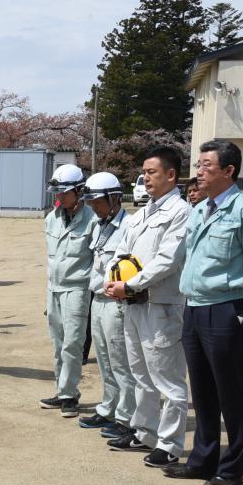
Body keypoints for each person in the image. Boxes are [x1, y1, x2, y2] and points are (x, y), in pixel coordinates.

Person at [164, 140, 243, 485]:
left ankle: (231, 469)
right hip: (195, 306)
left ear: (229, 171)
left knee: (230, 391)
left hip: (227, 308)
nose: (198, 172)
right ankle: (202, 458)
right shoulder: (200, 209)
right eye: (197, 165)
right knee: (201, 392)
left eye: (206, 165)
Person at [102, 146, 190, 466]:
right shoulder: (142, 212)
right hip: (134, 303)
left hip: (162, 304)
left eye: (152, 172)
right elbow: (121, 252)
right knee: (141, 373)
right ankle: (145, 431)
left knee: (167, 377)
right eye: (144, 172)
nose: (146, 178)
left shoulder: (181, 212)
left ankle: (170, 443)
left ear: (170, 175)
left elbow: (168, 259)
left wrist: (131, 284)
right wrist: (113, 279)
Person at [78, 172, 136, 437]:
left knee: (120, 361)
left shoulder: (130, 227)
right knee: (103, 359)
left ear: (114, 198)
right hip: (98, 300)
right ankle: (108, 407)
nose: (92, 205)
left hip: (117, 302)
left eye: (96, 200)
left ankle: (126, 416)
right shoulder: (100, 224)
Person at [39, 165, 97, 417]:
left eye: (63, 192)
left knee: (73, 343)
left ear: (78, 191)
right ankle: (61, 390)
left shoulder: (93, 220)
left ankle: (70, 395)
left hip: (77, 288)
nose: (58, 197)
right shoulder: (51, 218)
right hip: (54, 288)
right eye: (56, 192)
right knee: (57, 343)